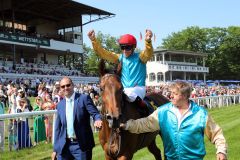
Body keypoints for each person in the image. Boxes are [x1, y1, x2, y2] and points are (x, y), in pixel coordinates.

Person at [120, 81, 227, 160]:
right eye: (171, 93)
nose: (170, 96)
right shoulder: (163, 111)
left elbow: (216, 134)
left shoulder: (201, 114)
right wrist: (127, 125)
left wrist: (221, 151)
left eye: (174, 94)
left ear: (185, 96)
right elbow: (145, 124)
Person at [88, 29, 153, 108]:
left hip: (138, 88)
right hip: (124, 89)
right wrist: (93, 40)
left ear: (133, 47)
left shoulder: (141, 57)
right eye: (123, 47)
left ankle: (147, 109)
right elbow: (103, 53)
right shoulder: (119, 57)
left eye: (128, 48)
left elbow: (148, 53)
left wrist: (148, 42)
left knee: (129, 95)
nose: (125, 50)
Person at [52, 77, 102, 160]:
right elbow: (58, 128)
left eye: (68, 85)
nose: (66, 88)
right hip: (64, 146)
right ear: (60, 88)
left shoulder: (84, 98)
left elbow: (95, 113)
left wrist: (98, 119)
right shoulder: (60, 105)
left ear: (72, 85)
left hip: (81, 145)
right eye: (63, 86)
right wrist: (55, 149)